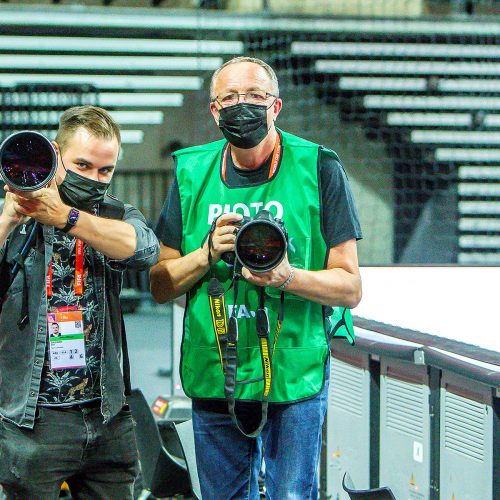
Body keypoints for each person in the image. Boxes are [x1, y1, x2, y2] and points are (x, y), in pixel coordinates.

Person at [150, 56, 362, 499]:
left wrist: (287, 277)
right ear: (213, 110)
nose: (240, 105)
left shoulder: (319, 167)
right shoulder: (190, 173)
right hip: (215, 367)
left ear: (276, 106)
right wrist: (207, 253)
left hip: (293, 369)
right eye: (228, 98)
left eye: (254, 96)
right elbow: (160, 284)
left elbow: (350, 287)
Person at [0, 105, 159, 499]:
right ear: (55, 154)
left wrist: (67, 217)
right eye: (83, 165)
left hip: (107, 414)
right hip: (32, 420)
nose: (94, 179)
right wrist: (8, 220)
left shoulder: (116, 213)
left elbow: (144, 249)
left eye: (105, 171)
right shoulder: (15, 211)